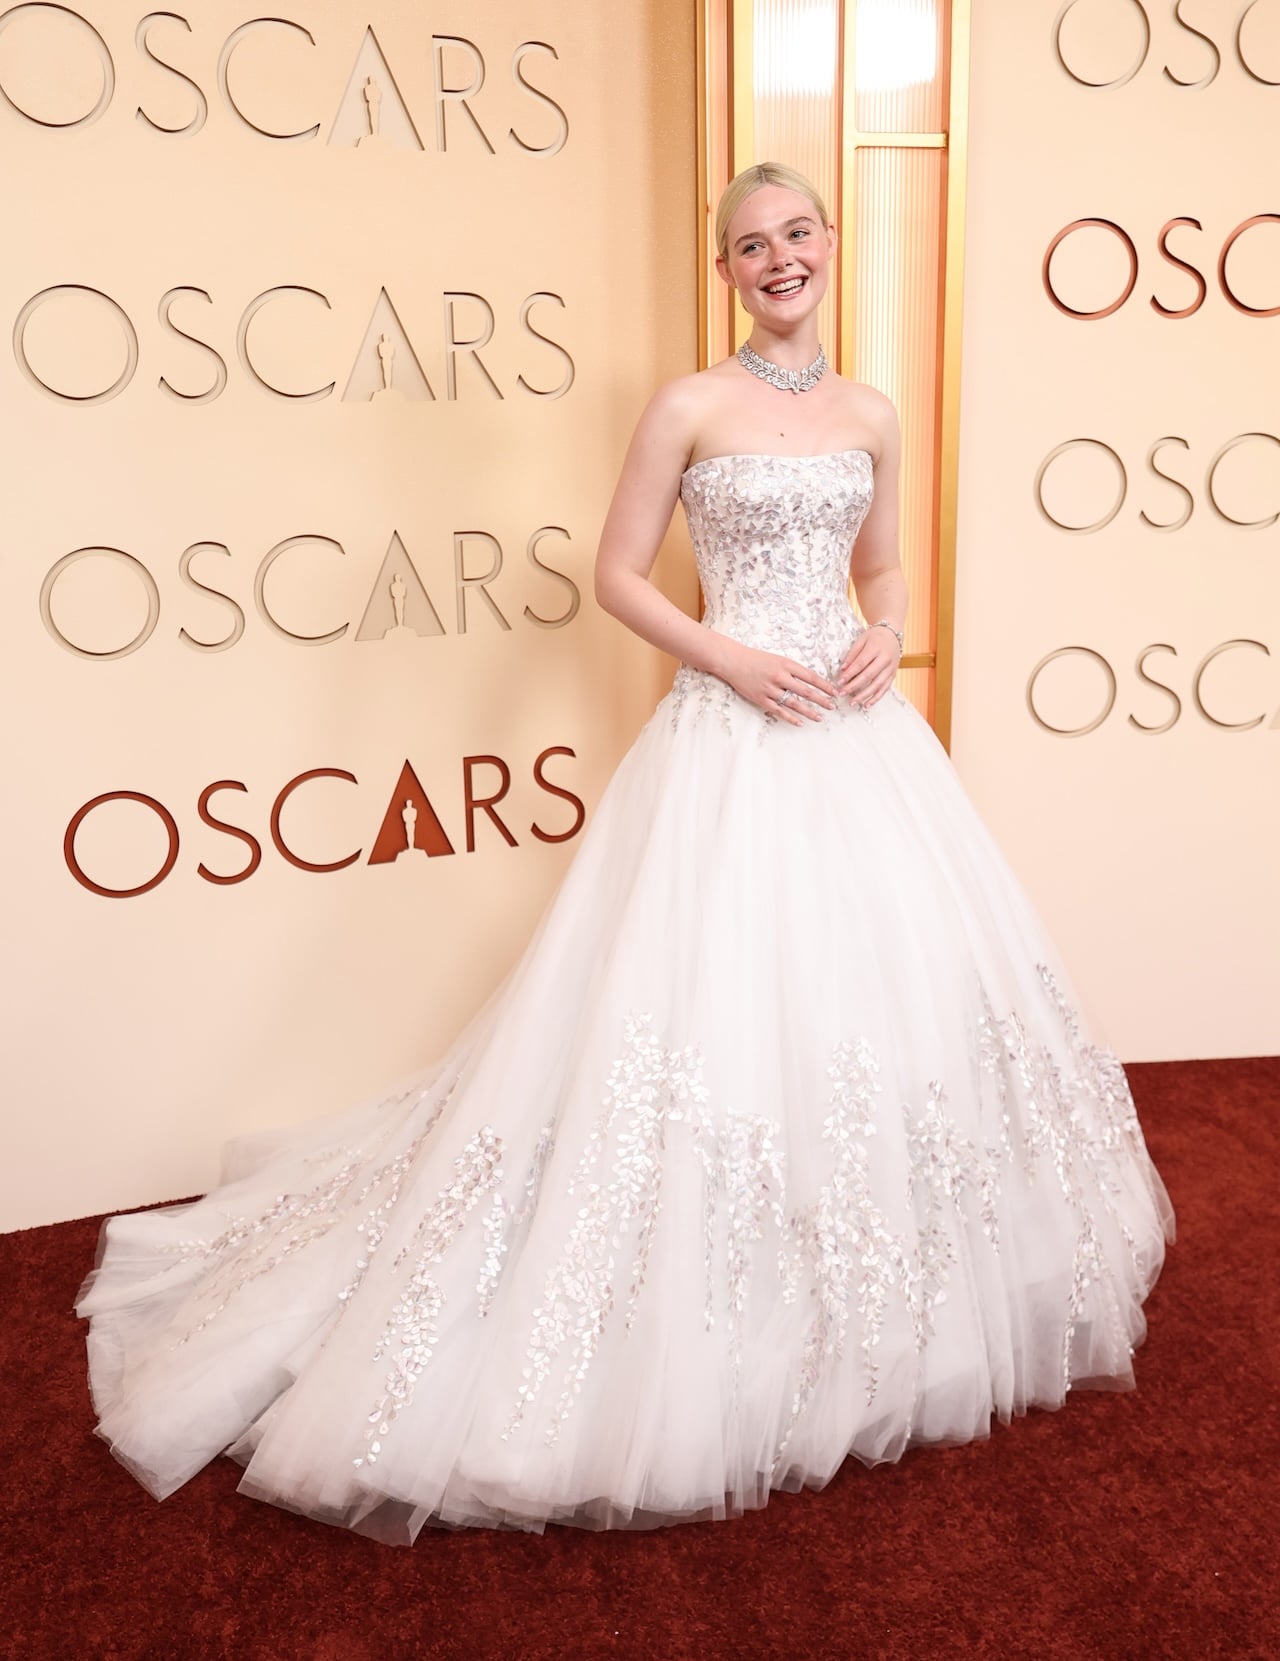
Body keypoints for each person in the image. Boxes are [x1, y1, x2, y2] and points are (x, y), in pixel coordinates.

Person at [75, 161, 1175, 1545]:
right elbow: (618, 572)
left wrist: (884, 630)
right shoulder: (688, 404)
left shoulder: (874, 412)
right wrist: (728, 657)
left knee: (879, 1014)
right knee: (697, 1020)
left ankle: (884, 1300)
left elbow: (884, 568)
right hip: (728, 736)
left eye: (796, 235)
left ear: (830, 245)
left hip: (854, 739)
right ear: (723, 271)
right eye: (749, 246)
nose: (778, 259)